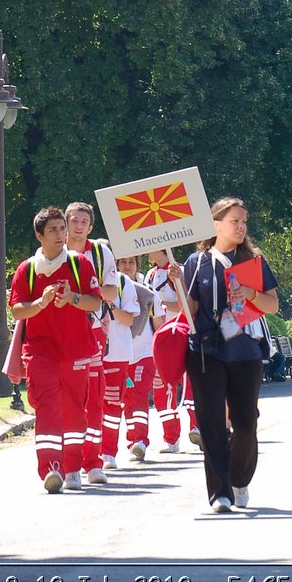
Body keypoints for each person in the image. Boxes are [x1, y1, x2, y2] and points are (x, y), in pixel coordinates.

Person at [168, 196, 279, 513]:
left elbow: (272, 305)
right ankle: (220, 493)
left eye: (244, 221)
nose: (242, 227)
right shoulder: (197, 262)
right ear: (216, 224)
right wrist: (178, 284)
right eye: (235, 221)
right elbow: (190, 310)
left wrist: (252, 294)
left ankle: (239, 478)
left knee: (246, 422)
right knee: (211, 423)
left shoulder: (252, 261)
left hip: (244, 352)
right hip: (205, 352)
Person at [9, 206, 102, 493]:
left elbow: (95, 303)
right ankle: (51, 468)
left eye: (63, 228)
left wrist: (73, 298)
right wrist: (40, 304)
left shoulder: (80, 263)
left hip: (75, 350)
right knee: (47, 407)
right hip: (39, 351)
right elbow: (16, 310)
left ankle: (73, 465)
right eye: (54, 230)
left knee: (75, 411)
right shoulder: (27, 269)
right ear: (39, 235)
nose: (61, 234)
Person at [65, 200, 118, 484]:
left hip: (93, 328)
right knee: (67, 399)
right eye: (73, 220)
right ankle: (68, 463)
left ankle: (93, 463)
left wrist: (88, 289)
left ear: (91, 226)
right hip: (60, 332)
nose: (78, 225)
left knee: (94, 397)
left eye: (83, 222)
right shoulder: (53, 250)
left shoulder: (100, 253)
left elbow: (110, 292)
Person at [145, 248, 201, 450]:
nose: (146, 253)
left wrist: (164, 304)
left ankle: (197, 428)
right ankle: (171, 438)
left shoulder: (180, 270)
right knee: (162, 390)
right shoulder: (150, 275)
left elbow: (188, 305)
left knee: (189, 386)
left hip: (181, 334)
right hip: (161, 340)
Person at [111, 256, 165, 461]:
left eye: (131, 262)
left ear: (137, 265)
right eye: (123, 262)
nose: (127, 266)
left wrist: (161, 357)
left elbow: (159, 324)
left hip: (144, 354)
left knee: (140, 396)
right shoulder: (111, 289)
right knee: (127, 399)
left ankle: (141, 441)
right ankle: (132, 439)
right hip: (121, 355)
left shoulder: (148, 292)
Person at [100, 261, 140, 468]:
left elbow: (129, 320)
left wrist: (110, 304)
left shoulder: (123, 283)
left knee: (112, 405)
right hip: (90, 352)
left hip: (117, 353)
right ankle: (89, 453)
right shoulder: (81, 278)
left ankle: (108, 452)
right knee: (88, 405)